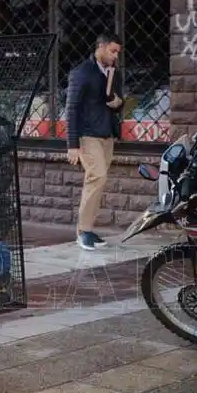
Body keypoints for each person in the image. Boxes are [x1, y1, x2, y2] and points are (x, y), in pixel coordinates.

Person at [66, 32, 124, 251]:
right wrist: (72, 145)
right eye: (112, 51)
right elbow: (71, 109)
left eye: (118, 52)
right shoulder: (81, 73)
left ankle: (88, 228)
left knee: (99, 180)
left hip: (107, 134)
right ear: (100, 47)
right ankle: (83, 232)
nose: (115, 56)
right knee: (97, 175)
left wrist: (117, 102)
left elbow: (119, 102)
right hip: (87, 135)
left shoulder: (112, 73)